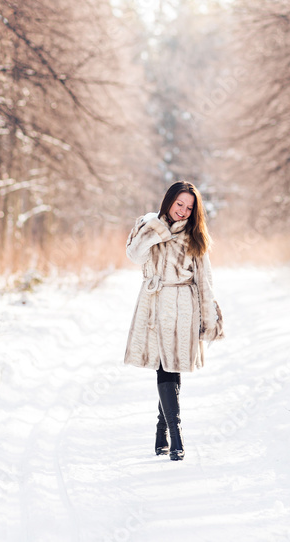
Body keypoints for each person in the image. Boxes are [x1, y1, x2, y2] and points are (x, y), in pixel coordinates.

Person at [124, 180, 224, 461]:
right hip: (154, 304)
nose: (183, 211)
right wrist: (156, 231)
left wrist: (209, 318)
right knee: (162, 366)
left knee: (171, 366)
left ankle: (166, 429)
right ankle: (172, 432)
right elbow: (134, 255)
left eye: (189, 207)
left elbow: (205, 281)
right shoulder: (148, 227)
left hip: (183, 307)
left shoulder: (195, 237)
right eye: (179, 204)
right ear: (168, 201)